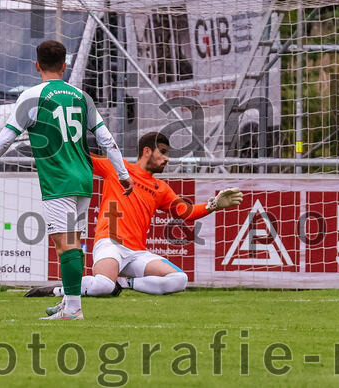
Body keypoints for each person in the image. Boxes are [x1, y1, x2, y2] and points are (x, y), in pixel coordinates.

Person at [0, 40, 131, 321]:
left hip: (59, 181)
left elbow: (8, 136)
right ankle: (69, 303)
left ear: (37, 65)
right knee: (69, 242)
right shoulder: (81, 96)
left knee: (66, 243)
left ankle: (73, 309)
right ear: (64, 65)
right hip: (84, 179)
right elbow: (106, 139)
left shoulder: (32, 97)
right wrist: (123, 174)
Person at [27, 132, 243, 308]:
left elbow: (184, 212)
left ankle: (124, 283)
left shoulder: (161, 188)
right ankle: (58, 290)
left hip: (137, 253)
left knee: (180, 280)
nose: (167, 158)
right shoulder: (117, 167)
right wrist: (57, 138)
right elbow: (81, 157)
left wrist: (212, 205)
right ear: (147, 151)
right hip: (109, 243)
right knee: (103, 286)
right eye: (163, 152)